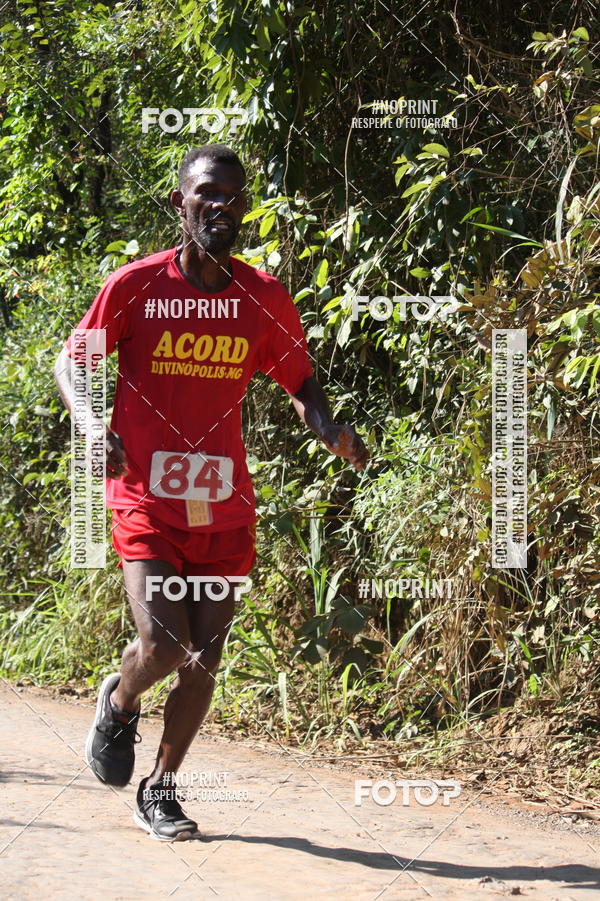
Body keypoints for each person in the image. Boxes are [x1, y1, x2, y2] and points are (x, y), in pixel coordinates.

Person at [54, 143, 368, 841]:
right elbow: (71, 361)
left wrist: (329, 429)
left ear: (245, 209)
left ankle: (160, 788)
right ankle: (121, 695)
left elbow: (301, 384)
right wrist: (89, 421)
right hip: (145, 500)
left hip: (223, 505)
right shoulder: (137, 286)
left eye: (232, 195)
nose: (220, 206)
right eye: (206, 193)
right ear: (180, 204)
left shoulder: (263, 297)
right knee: (163, 643)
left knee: (204, 657)